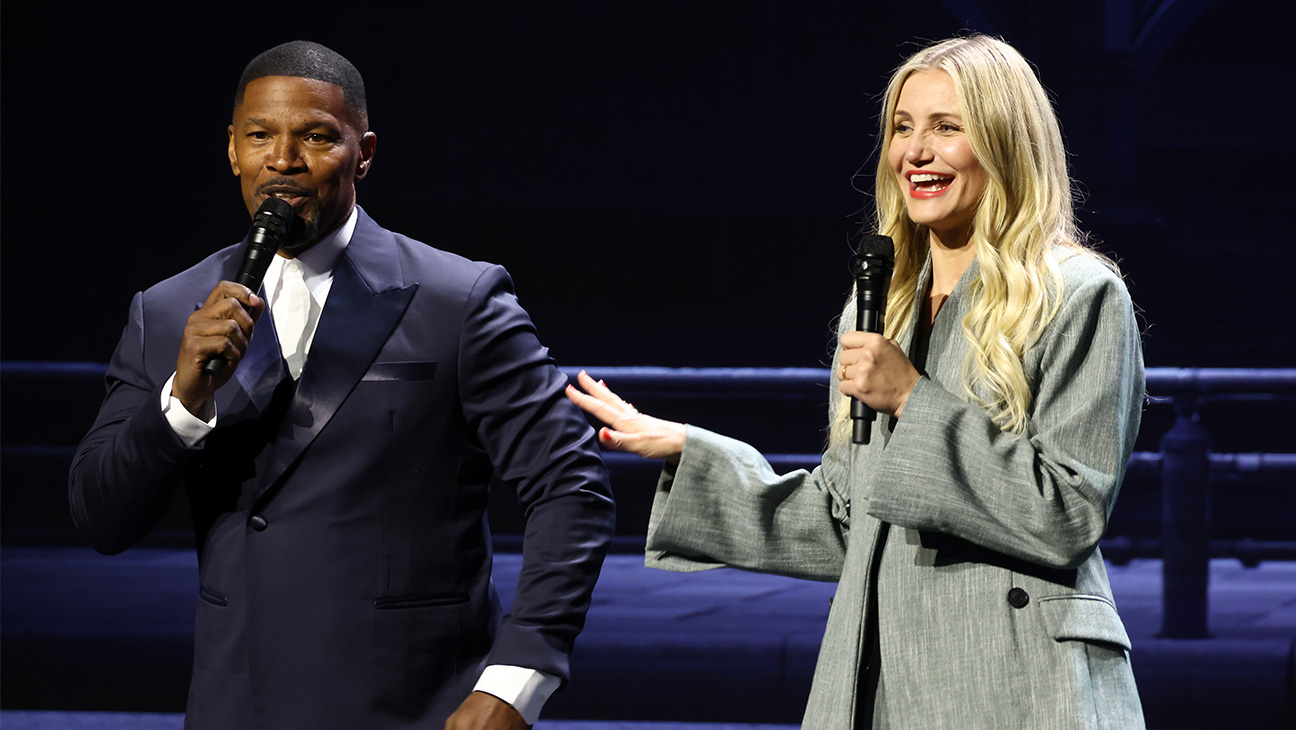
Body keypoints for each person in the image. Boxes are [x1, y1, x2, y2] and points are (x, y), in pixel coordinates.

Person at [567, 35, 1145, 729]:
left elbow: (1068, 513)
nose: (915, 152)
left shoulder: (1077, 295)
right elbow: (850, 517)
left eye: (946, 127)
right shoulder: (887, 305)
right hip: (880, 676)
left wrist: (911, 398)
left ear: (1003, 141)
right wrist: (688, 452)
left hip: (1015, 680)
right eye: (903, 128)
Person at [69, 41, 615, 730]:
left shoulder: (458, 299)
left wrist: (514, 683)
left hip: (418, 708)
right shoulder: (169, 310)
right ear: (233, 149)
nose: (284, 161)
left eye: (317, 137)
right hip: (238, 707)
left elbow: (571, 487)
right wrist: (181, 402)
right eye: (261, 136)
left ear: (364, 153)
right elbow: (100, 516)